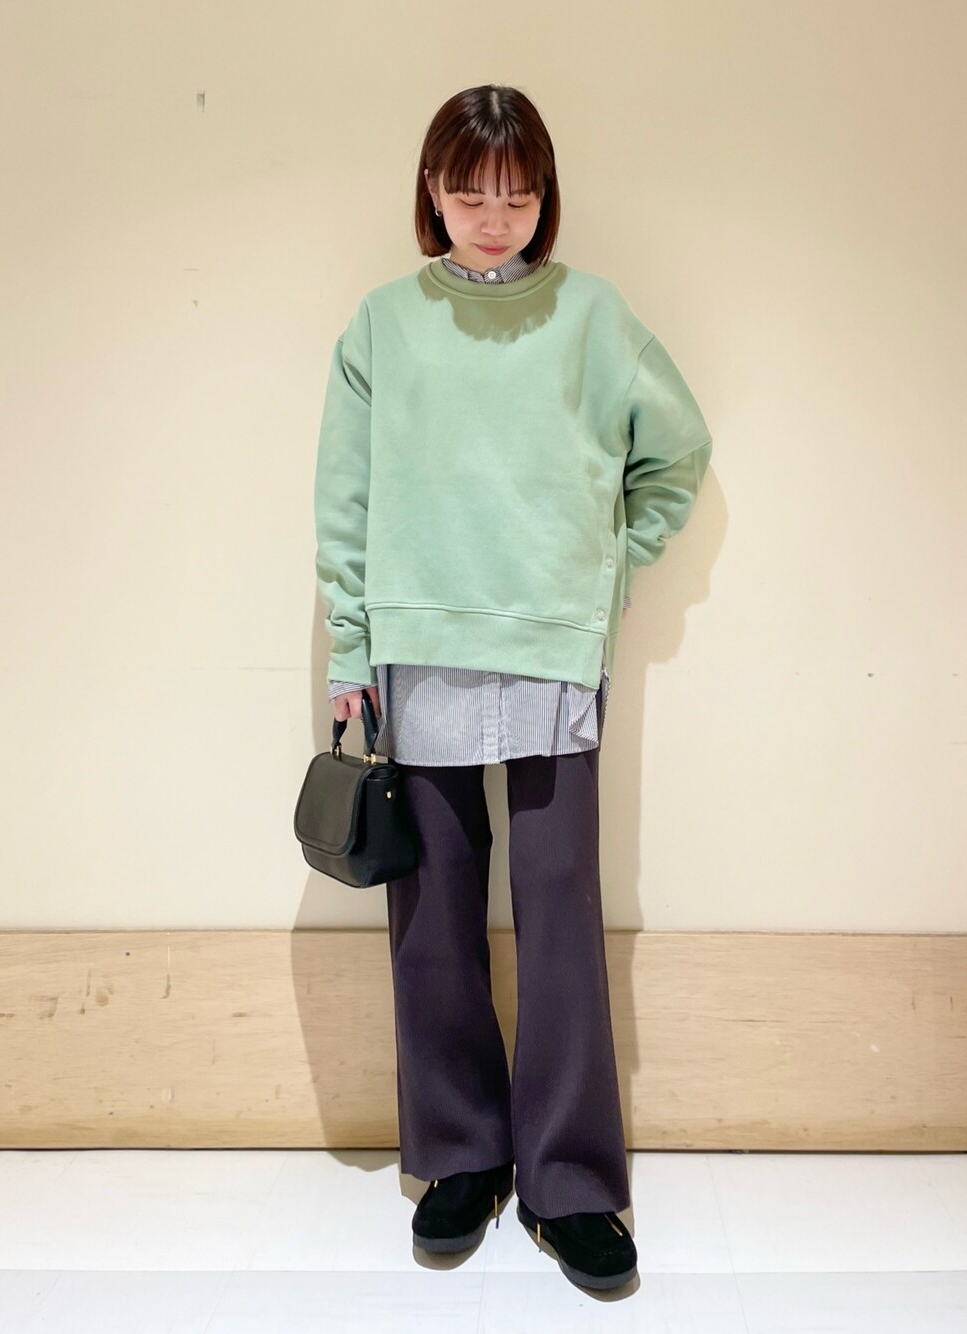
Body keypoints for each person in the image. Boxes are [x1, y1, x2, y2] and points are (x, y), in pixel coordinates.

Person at [313, 83, 712, 1292]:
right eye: (469, 193)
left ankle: (572, 1178)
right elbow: (345, 501)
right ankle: (459, 1155)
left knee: (559, 912)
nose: (494, 218)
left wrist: (611, 566)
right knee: (430, 915)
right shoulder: (381, 325)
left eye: (518, 195)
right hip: (418, 641)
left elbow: (678, 451)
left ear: (545, 198)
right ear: (431, 194)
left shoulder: (594, 316)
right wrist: (348, 654)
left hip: (551, 646)